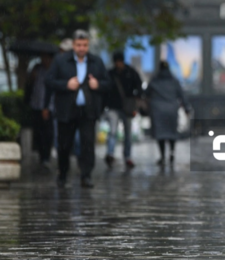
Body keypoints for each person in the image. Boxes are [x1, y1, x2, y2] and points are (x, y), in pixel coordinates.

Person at [45, 30, 110, 188]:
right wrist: (65, 85)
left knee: (88, 144)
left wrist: (98, 85)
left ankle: (86, 175)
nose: (82, 48)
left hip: (88, 110)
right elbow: (49, 80)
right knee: (64, 144)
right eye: (79, 45)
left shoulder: (96, 62)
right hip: (66, 109)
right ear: (73, 45)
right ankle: (63, 174)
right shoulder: (61, 61)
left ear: (88, 45)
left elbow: (109, 84)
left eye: (85, 45)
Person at [145, 61, 191, 166]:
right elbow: (181, 95)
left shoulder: (154, 80)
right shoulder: (174, 81)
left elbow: (146, 93)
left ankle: (162, 156)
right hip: (171, 110)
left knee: (160, 134)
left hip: (157, 111)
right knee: (171, 133)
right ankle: (172, 152)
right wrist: (187, 108)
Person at [104, 51, 144, 169]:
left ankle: (127, 156)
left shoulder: (130, 72)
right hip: (113, 106)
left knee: (127, 133)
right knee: (113, 131)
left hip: (127, 107)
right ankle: (110, 153)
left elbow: (139, 86)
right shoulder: (111, 73)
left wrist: (135, 98)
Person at [24, 52, 55, 169]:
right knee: (38, 132)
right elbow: (30, 85)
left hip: (49, 107)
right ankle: (42, 155)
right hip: (36, 104)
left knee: (47, 133)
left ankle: (46, 156)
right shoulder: (36, 68)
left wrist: (47, 107)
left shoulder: (53, 70)